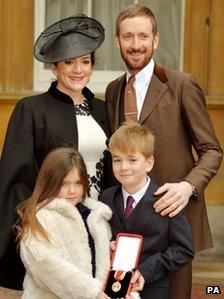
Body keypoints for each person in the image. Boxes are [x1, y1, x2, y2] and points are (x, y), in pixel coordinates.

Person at [105, 4, 223, 299]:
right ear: (117, 41)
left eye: (143, 36)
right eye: (128, 37)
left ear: (155, 40)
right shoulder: (112, 90)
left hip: (173, 224)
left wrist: (188, 187)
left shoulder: (182, 85)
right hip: (128, 229)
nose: (136, 45)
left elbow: (211, 150)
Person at [0, 15, 112, 291]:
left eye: (85, 61)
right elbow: (15, 177)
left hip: (98, 224)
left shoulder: (102, 109)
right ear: (54, 67)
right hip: (54, 228)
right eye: (69, 62)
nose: (78, 70)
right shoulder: (31, 109)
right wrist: (31, 227)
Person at [100, 122, 195, 299]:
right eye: (117, 160)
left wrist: (146, 270)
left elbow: (184, 249)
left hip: (152, 289)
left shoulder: (167, 199)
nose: (123, 167)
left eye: (132, 160)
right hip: (112, 287)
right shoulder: (106, 197)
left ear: (149, 163)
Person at [16, 147, 112, 299]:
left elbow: (101, 265)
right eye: (64, 184)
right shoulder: (41, 218)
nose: (72, 191)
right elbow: (45, 265)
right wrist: (91, 292)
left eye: (78, 183)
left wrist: (111, 251)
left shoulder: (95, 217)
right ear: (50, 183)